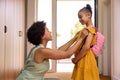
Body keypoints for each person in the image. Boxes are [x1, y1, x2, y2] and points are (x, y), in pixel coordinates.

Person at [16, 21, 88, 80]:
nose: (50, 32)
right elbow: (67, 54)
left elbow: (59, 51)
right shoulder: (41, 51)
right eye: (47, 30)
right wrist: (81, 38)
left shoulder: (40, 49)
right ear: (42, 36)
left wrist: (75, 38)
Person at [71, 4, 100, 80]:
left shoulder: (89, 30)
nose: (79, 19)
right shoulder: (88, 29)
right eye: (79, 18)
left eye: (80, 17)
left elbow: (86, 47)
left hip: (85, 58)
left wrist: (76, 58)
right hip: (84, 57)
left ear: (88, 15)